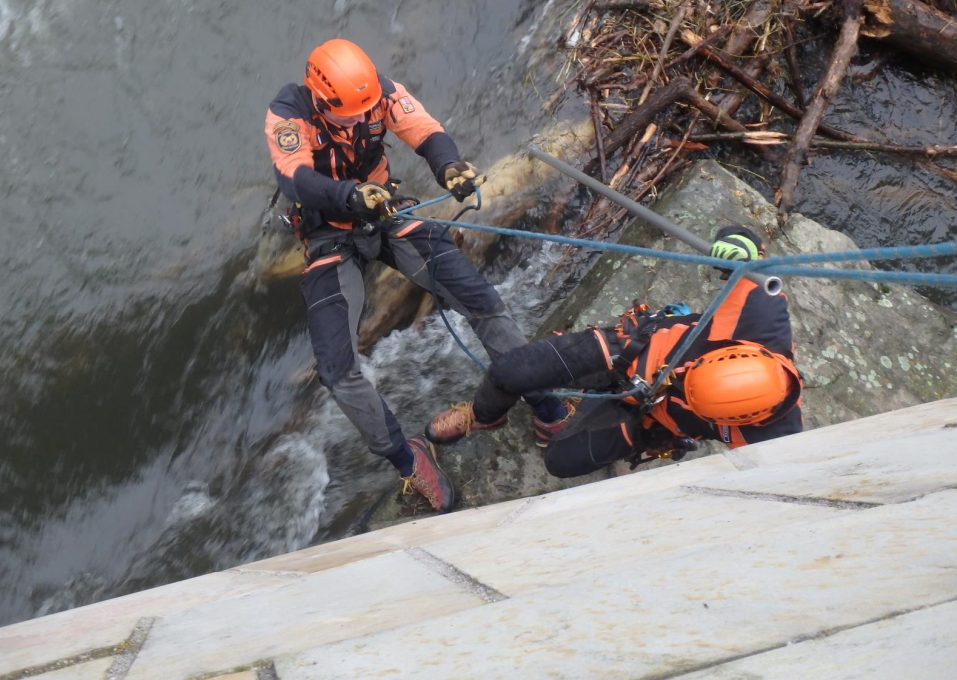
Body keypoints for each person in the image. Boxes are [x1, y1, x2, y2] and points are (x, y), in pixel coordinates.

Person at [264, 39, 569, 512]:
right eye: (350, 116)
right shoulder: (289, 113)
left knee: (482, 300)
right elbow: (295, 177)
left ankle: (545, 405)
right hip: (330, 235)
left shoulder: (376, 94)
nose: (363, 119)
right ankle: (408, 460)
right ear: (322, 101)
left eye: (368, 110)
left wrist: (449, 167)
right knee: (337, 371)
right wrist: (349, 196)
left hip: (385, 213)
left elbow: (423, 128)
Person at [425, 225, 804, 477]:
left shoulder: (772, 439)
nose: (681, 382)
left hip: (653, 420)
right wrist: (739, 248)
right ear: (725, 356)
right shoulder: (758, 314)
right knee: (511, 371)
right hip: (633, 351)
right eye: (689, 377)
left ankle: (574, 410)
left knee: (559, 462)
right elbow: (749, 247)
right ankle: (484, 415)